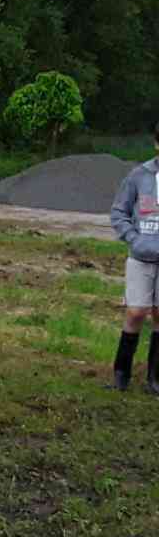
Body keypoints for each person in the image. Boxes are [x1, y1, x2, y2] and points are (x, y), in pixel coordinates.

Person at [110, 123, 159, 391]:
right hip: (141, 258)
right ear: (156, 144)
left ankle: (154, 379)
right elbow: (118, 212)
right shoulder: (139, 176)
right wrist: (134, 239)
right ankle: (121, 374)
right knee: (136, 311)